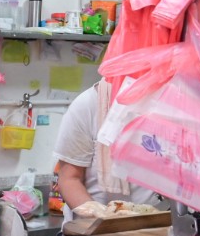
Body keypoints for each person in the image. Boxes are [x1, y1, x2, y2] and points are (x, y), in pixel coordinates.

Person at [52, 78, 163, 212]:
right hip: (95, 227)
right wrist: (103, 217)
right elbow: (69, 180)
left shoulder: (169, 102)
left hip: (159, 225)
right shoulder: (88, 105)